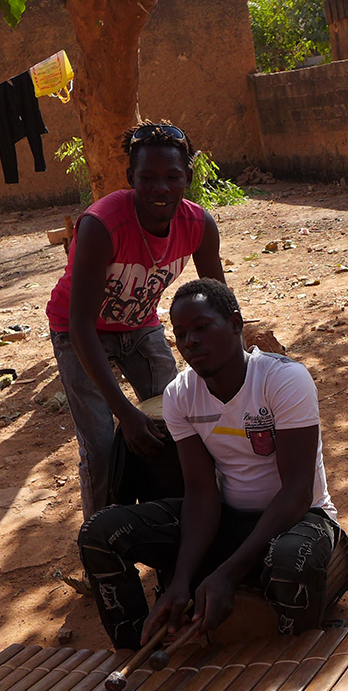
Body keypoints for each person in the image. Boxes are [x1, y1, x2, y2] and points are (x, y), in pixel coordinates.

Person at [79, 279, 348, 649]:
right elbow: (199, 491)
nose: (190, 341)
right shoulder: (180, 396)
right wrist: (181, 582)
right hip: (228, 517)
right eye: (180, 333)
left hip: (300, 518)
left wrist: (227, 572)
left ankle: (291, 667)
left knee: (292, 560)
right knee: (100, 534)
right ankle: (139, 655)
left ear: (235, 323)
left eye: (201, 327)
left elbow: (296, 492)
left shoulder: (285, 380)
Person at [46, 121, 225, 519]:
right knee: (102, 447)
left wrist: (240, 371)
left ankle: (172, 521)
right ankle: (103, 542)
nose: (160, 188)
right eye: (147, 177)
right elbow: (79, 326)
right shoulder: (102, 225)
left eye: (172, 177)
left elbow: (219, 305)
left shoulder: (198, 225)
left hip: (140, 326)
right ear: (130, 178)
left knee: (176, 426)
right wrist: (125, 412)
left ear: (188, 178)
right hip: (79, 331)